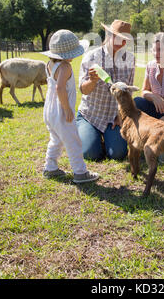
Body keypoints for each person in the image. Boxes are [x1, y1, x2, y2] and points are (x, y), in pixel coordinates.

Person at [42, 29, 99, 184]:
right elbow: (60, 88)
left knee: (56, 139)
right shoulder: (65, 67)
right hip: (61, 110)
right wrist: (67, 108)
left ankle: (50, 167)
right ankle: (80, 172)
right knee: (73, 141)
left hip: (49, 110)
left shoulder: (50, 64)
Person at [76, 20, 135, 161]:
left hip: (114, 117)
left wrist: (121, 116)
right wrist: (92, 81)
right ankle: (89, 135)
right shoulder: (92, 57)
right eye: (117, 37)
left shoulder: (130, 59)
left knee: (118, 154)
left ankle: (104, 139)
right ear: (108, 34)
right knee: (91, 155)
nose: (121, 42)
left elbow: (128, 93)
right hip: (90, 116)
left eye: (124, 39)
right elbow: (83, 90)